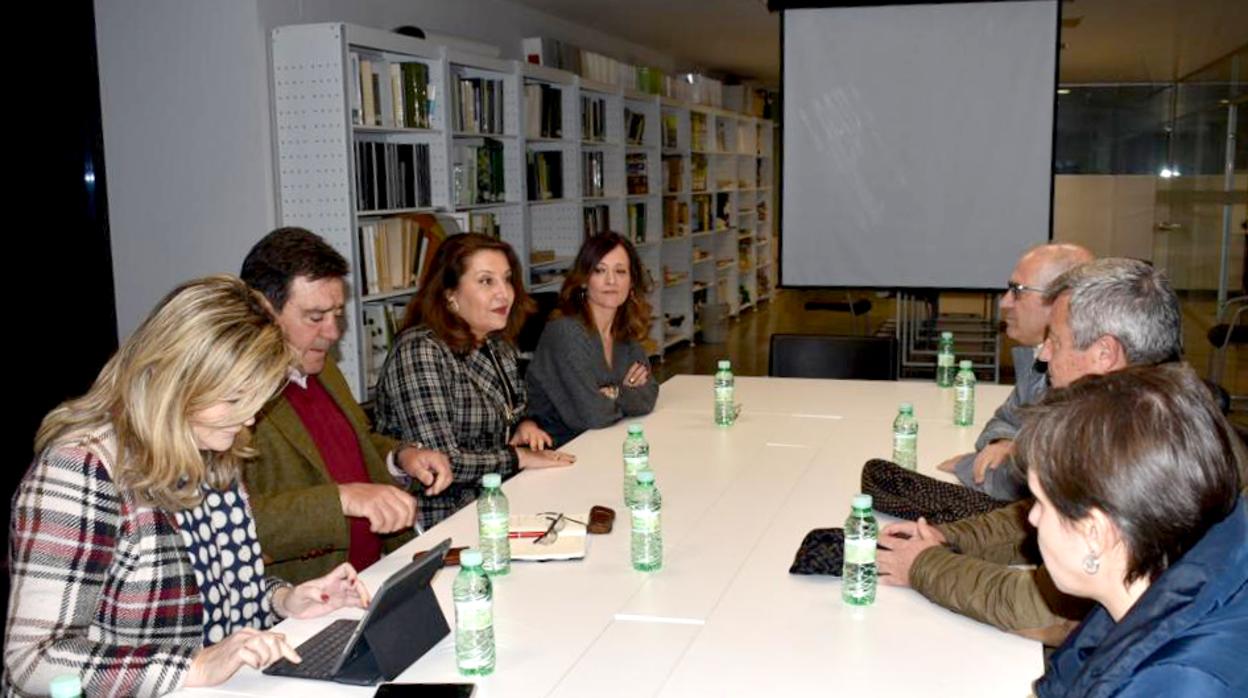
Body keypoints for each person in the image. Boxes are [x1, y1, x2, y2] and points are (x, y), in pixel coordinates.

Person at [4, 276, 371, 696]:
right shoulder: (83, 468)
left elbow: (214, 583)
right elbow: (34, 660)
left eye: (256, 399)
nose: (249, 418)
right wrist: (193, 666)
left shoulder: (209, 445)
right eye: (234, 400)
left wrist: (283, 600)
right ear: (174, 381)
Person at [877, 258, 1184, 645]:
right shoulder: (1138, 412)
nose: (1042, 356)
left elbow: (1044, 608)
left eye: (1055, 340)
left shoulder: (1141, 448)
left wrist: (922, 565)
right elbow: (1042, 514)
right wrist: (947, 537)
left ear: (1105, 354)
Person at [240, 227, 451, 584]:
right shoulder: (232, 400)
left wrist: (400, 458)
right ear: (263, 311)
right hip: (305, 597)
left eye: (337, 313)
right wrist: (341, 499)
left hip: (379, 573)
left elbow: (356, 443)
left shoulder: (321, 367)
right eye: (315, 316)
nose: (333, 332)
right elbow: (236, 523)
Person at [1021, 364, 1246, 696]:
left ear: (1095, 534)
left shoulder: (1174, 684)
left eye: (1041, 503)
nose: (1032, 519)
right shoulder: (1184, 577)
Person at [375, 233, 575, 528]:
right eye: (486, 281)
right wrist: (517, 457)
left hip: (499, 495)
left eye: (507, 279)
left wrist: (524, 426)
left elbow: (512, 412)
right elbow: (443, 462)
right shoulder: (420, 350)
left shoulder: (495, 344)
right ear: (449, 294)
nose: (504, 293)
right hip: (442, 517)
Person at [935, 243, 1094, 500]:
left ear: (1060, 300)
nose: (1004, 302)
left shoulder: (1080, 376)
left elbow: (1025, 485)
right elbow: (1005, 419)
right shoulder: (1038, 358)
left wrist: (968, 465)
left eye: (1017, 291)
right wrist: (1004, 443)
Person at [526, 232, 659, 447]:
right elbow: (593, 415)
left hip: (604, 442)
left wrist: (612, 392)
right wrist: (626, 394)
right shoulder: (565, 332)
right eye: (599, 270)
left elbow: (650, 394)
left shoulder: (624, 331)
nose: (611, 280)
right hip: (559, 449)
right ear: (584, 280)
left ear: (631, 281)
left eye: (620, 271)